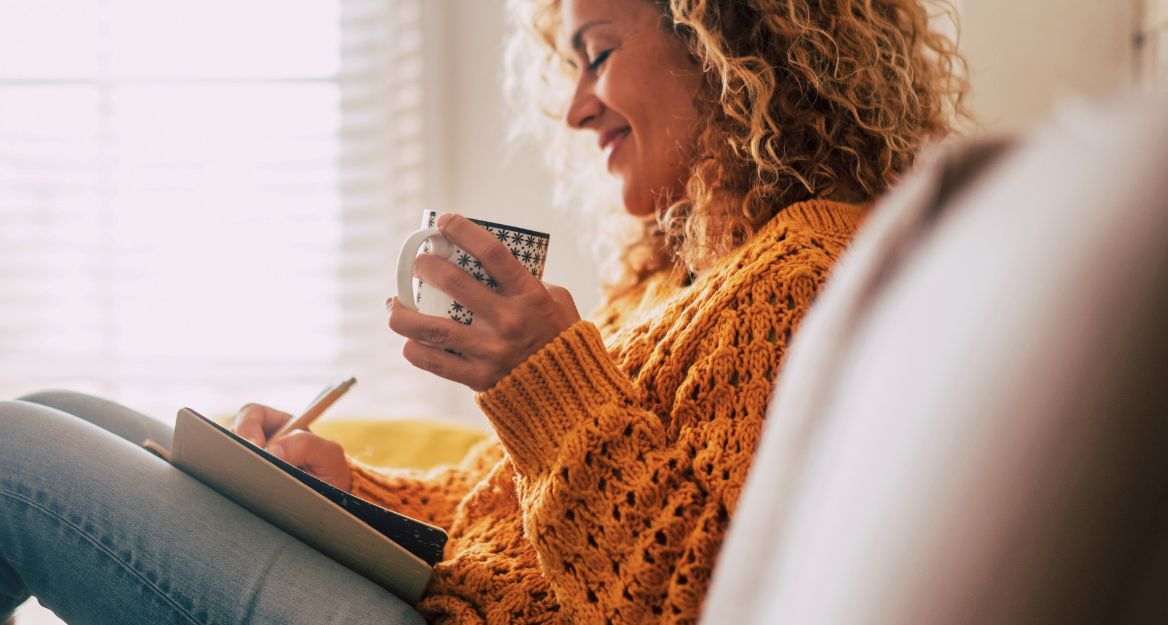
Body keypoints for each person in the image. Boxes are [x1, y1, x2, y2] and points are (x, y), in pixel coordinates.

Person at [0, 0, 967, 623]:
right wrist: (346, 489)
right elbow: (499, 516)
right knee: (60, 409)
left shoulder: (803, 275)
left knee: (13, 455)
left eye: (597, 55)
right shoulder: (683, 272)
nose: (578, 109)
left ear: (727, 37)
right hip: (452, 596)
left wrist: (547, 380)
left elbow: (693, 600)